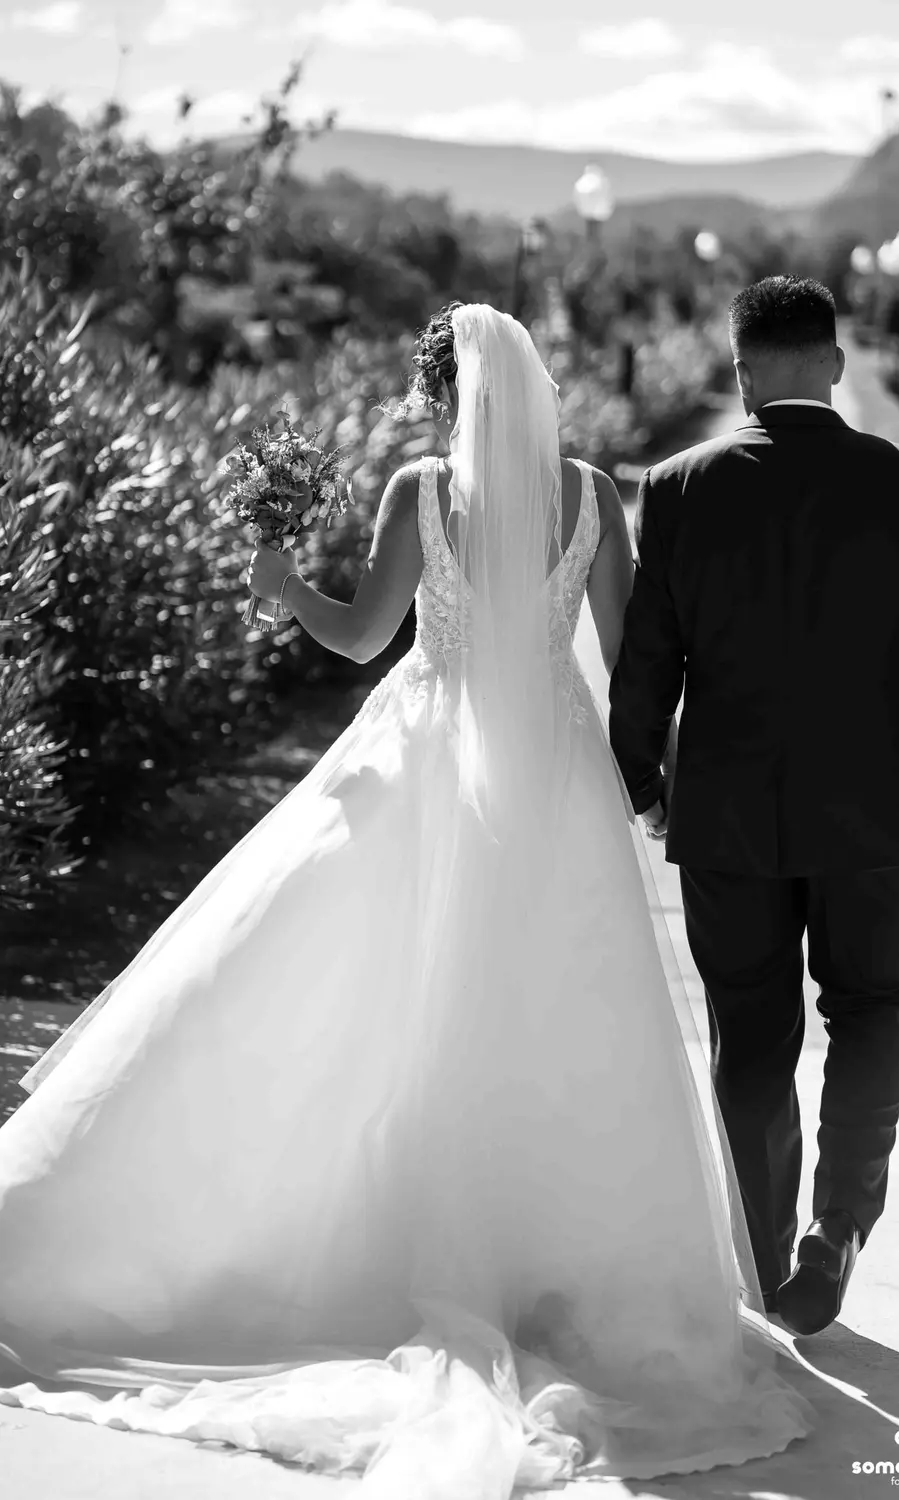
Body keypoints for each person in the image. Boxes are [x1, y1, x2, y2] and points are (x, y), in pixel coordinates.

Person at [0, 304, 811, 1493]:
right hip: (557, 782)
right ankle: (546, 1263)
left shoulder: (420, 493)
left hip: (423, 763)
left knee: (361, 993)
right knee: (561, 1015)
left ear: (443, 396)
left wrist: (284, 584)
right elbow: (634, 658)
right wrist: (649, 779)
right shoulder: (592, 496)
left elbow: (360, 638)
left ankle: (372, 1237)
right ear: (529, 388)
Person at [609, 275, 899, 1339]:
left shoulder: (677, 488)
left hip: (727, 818)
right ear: (834, 362)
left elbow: (647, 662)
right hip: (873, 816)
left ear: (740, 373)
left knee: (750, 1037)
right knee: (871, 1015)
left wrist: (643, 786)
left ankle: (764, 1248)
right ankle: (835, 1232)